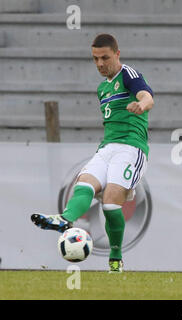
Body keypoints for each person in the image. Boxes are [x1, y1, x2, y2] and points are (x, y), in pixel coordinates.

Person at [31, 33, 154, 273]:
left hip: (130, 148)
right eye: (95, 59)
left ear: (117, 54)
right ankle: (64, 219)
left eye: (105, 58)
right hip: (106, 148)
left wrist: (142, 105)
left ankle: (115, 258)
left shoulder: (128, 75)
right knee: (84, 183)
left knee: (110, 204)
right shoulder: (102, 88)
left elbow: (147, 95)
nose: (100, 64)